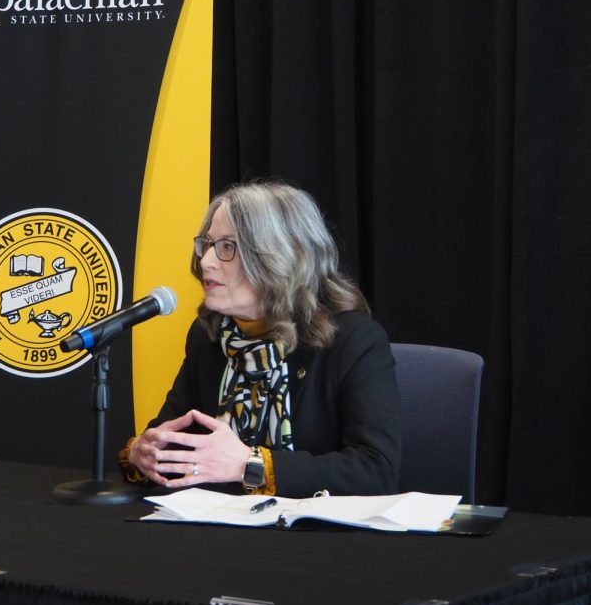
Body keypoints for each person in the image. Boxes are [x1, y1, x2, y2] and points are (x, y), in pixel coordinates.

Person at [120, 181, 402, 497]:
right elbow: (174, 442)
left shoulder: (354, 341)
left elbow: (376, 471)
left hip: (316, 539)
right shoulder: (209, 338)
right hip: (220, 532)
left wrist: (249, 465)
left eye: (227, 247)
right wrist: (144, 454)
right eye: (207, 244)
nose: (206, 262)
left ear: (281, 258)